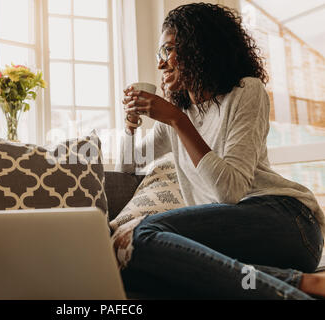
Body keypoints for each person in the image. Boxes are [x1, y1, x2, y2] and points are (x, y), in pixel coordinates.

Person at [118, 3, 325, 299]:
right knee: (139, 267)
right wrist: (130, 124)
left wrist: (178, 120)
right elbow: (129, 167)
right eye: (159, 54)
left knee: (142, 234)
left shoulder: (246, 92)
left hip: (287, 223)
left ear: (199, 47)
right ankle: (300, 284)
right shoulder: (178, 114)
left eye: (168, 50)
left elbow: (229, 192)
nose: (161, 64)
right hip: (234, 241)